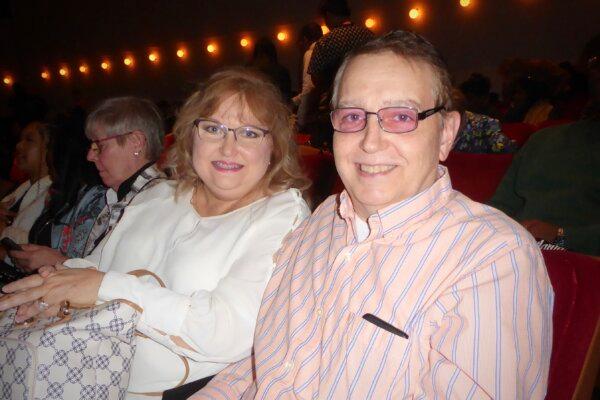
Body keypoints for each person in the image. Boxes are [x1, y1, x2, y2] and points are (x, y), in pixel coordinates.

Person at [194, 31, 553, 399]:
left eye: (401, 116)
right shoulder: (318, 224)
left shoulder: (493, 258)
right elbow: (260, 365)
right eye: (352, 116)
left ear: (446, 134)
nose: (370, 140)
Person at [0, 68, 311, 399]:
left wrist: (105, 288)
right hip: (78, 369)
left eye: (249, 133)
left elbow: (228, 329)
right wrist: (48, 288)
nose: (228, 147)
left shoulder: (281, 214)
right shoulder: (159, 195)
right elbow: (95, 265)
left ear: (274, 147)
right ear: (190, 135)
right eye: (213, 128)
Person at [5, 97, 167, 271]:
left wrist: (59, 262)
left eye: (100, 146)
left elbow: (126, 284)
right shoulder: (118, 196)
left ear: (136, 142)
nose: (90, 156)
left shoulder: (158, 202)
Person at [489, 36, 600, 256]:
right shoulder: (544, 139)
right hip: (520, 255)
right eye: (596, 64)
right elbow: (500, 206)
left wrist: (559, 235)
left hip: (580, 262)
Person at [9, 114, 107, 271]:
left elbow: (92, 270)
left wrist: (56, 262)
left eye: (53, 148)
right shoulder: (66, 195)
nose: (49, 156)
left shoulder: (97, 198)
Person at [303, 0, 374, 147]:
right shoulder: (369, 36)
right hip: (369, 104)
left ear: (328, 15)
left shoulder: (326, 42)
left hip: (336, 106)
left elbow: (316, 79)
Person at [1, 122, 52, 260]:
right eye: (20, 140)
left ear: (48, 149)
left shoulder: (53, 196)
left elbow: (36, 244)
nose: (19, 146)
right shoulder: (21, 189)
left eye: (29, 140)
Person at [293, 22, 323, 131]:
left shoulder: (310, 53)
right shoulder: (325, 49)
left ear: (305, 39)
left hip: (314, 113)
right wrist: (294, 101)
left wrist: (300, 121)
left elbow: (308, 88)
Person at [248, 37, 292, 102]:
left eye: (261, 55)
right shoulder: (252, 71)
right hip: (265, 105)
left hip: (272, 105)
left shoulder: (280, 72)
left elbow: (285, 96)